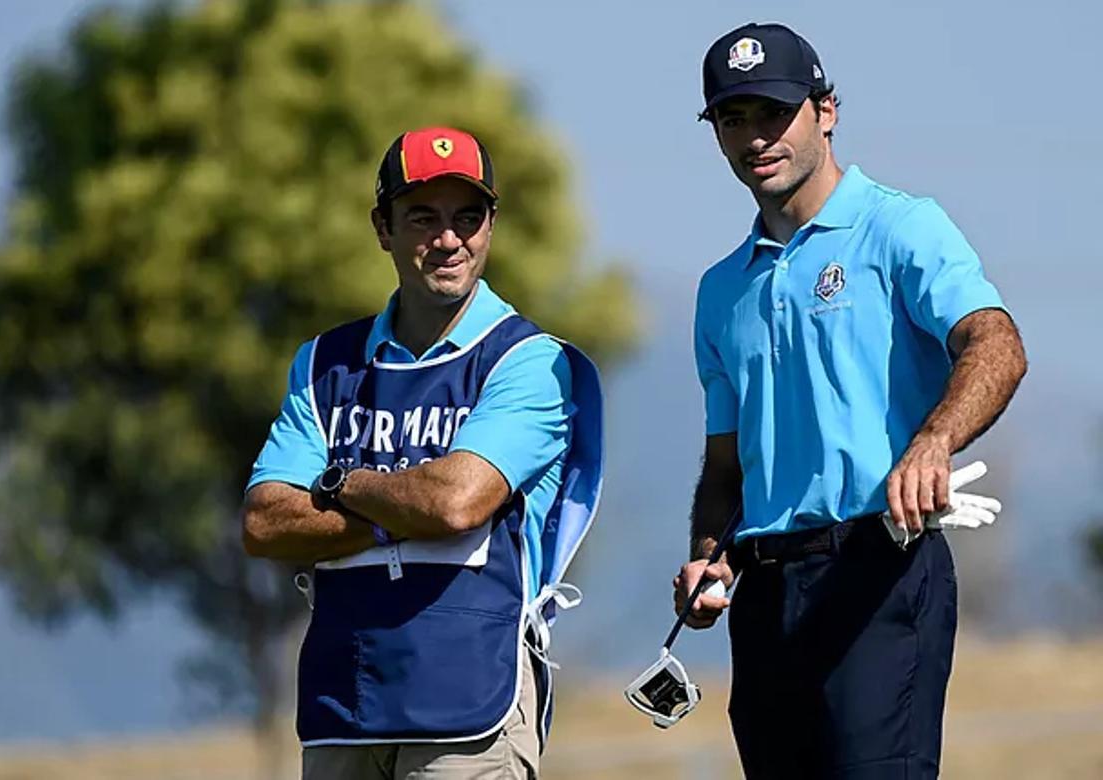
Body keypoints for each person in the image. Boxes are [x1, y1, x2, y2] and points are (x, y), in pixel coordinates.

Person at [675, 22, 1028, 778]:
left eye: (774, 112)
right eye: (732, 119)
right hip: (765, 593)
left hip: (879, 568)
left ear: (825, 110)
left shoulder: (900, 227)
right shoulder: (720, 290)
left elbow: (996, 343)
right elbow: (726, 467)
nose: (755, 137)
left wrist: (933, 441)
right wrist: (708, 558)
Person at [241, 126, 603, 779]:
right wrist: (399, 512)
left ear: (492, 225)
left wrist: (337, 481)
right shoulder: (325, 362)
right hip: (340, 708)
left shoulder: (528, 362)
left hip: (469, 713)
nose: (448, 239)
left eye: (469, 217)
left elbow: (455, 503)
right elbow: (265, 521)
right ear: (383, 227)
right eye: (422, 218)